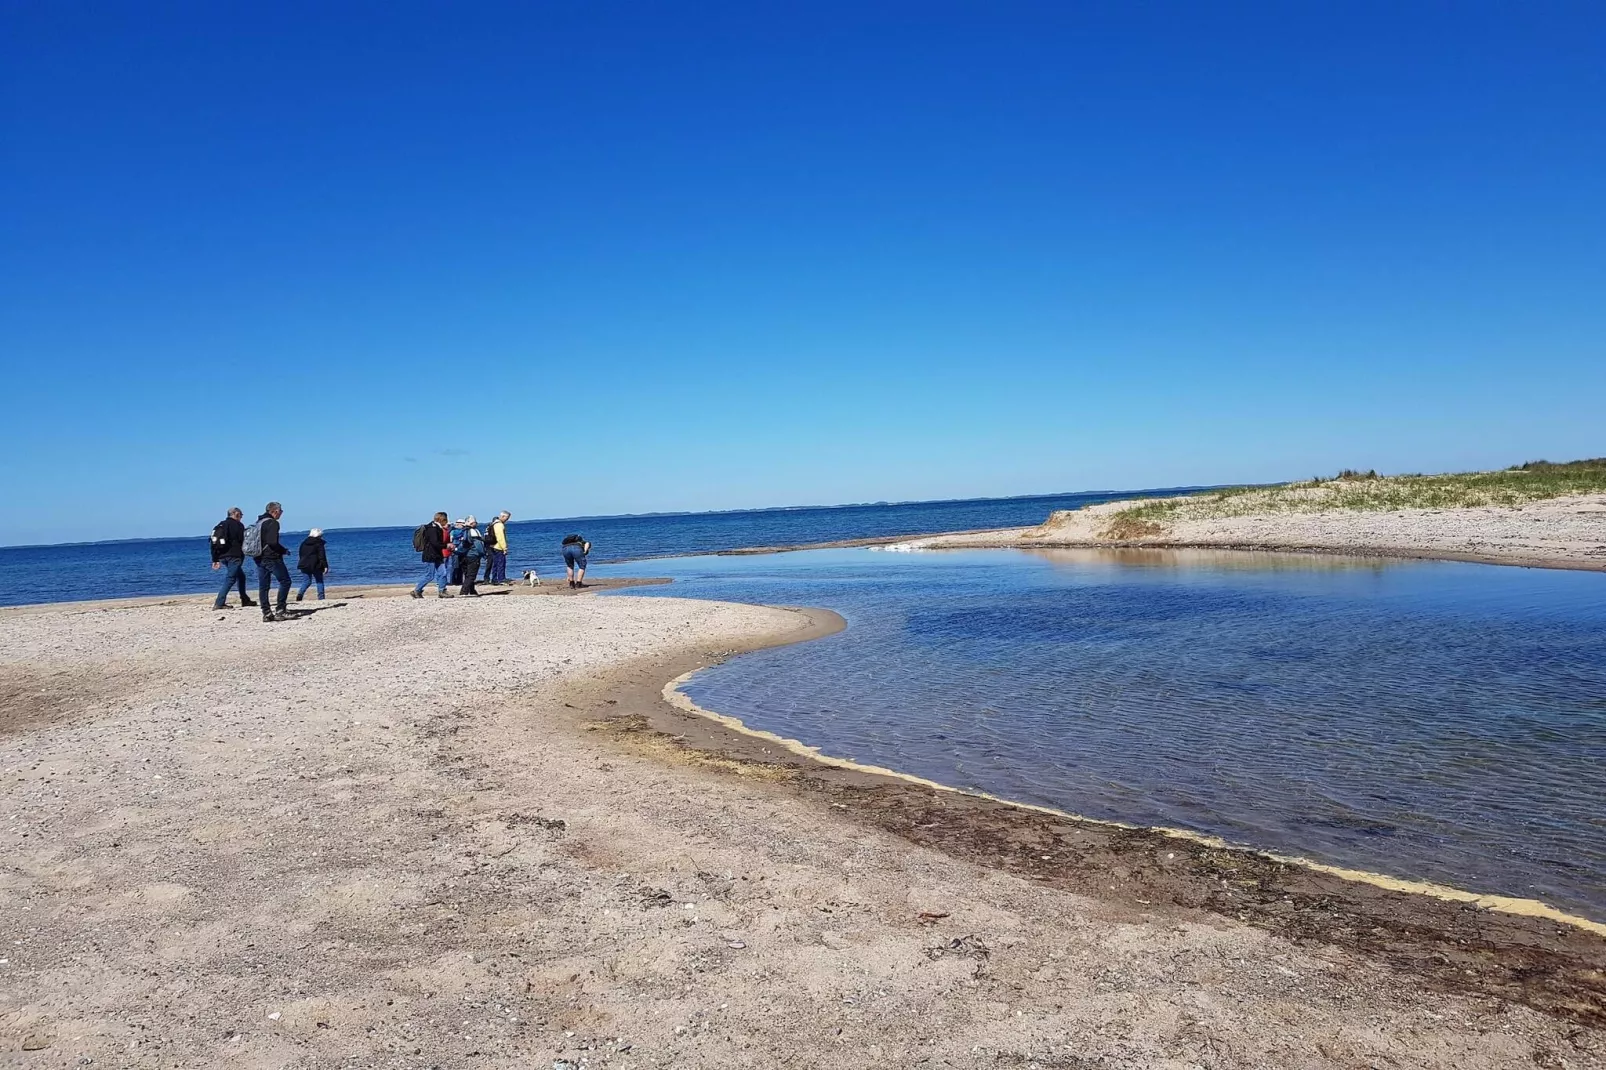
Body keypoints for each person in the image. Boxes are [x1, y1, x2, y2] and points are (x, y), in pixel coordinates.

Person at [210, 506, 256, 611]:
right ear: (236, 514)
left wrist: (215, 559)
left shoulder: (219, 525)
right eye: (241, 515)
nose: (241, 517)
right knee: (230, 578)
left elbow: (213, 543)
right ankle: (219, 602)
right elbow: (243, 541)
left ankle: (244, 599)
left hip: (222, 556)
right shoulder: (238, 525)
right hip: (234, 556)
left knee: (241, 576)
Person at [253, 502, 293, 622]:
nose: (281, 514)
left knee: (264, 586)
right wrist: (283, 550)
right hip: (271, 557)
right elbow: (272, 542)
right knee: (285, 581)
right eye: (281, 511)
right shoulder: (272, 523)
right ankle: (280, 610)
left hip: (258, 556)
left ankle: (266, 613)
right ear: (275, 511)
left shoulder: (258, 523)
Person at [412, 512, 453, 599]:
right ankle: (417, 590)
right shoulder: (432, 529)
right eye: (445, 520)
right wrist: (446, 545)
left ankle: (442, 590)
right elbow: (435, 543)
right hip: (430, 555)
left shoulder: (436, 527)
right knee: (430, 575)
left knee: (443, 572)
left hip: (437, 554)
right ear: (442, 520)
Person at [453, 516, 486, 597]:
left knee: (467, 574)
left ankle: (472, 590)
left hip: (462, 555)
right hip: (473, 555)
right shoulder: (473, 531)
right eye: (475, 522)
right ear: (472, 523)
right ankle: (463, 592)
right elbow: (478, 545)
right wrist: (484, 554)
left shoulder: (462, 531)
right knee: (471, 575)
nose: (477, 524)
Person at [296, 528, 329, 602]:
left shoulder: (304, 543)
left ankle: (300, 594)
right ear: (318, 535)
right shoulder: (319, 543)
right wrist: (325, 566)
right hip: (316, 565)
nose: (321, 537)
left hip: (304, 564)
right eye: (321, 535)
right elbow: (322, 555)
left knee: (306, 581)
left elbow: (301, 554)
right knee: (319, 581)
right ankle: (321, 598)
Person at [486, 511, 511, 585]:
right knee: (501, 563)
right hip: (498, 547)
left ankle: (494, 579)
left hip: (493, 546)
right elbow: (500, 538)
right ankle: (501, 579)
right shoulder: (499, 525)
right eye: (507, 518)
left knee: (495, 564)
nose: (507, 520)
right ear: (503, 516)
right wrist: (504, 548)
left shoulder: (493, 524)